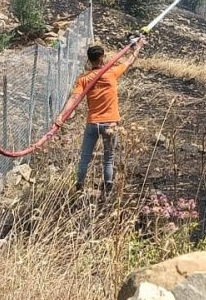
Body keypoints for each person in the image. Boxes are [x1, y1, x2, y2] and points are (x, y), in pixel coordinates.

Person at [62, 37, 145, 197]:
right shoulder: (112, 73)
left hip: (92, 123)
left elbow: (73, 99)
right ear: (102, 58)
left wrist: (62, 115)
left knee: (85, 158)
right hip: (110, 124)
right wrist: (138, 47)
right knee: (108, 158)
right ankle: (108, 190)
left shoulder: (84, 80)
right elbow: (129, 61)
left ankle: (78, 187)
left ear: (90, 59)